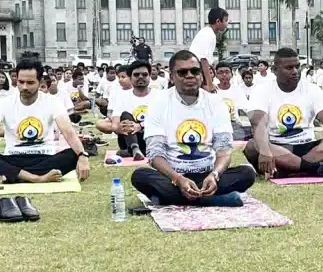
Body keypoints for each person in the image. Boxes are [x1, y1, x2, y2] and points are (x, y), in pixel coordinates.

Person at [129, 50, 255, 207]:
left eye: (195, 71)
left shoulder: (215, 102)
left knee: (247, 173)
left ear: (201, 75)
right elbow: (155, 155)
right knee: (140, 176)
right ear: (172, 77)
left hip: (208, 174)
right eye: (182, 72)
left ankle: (171, 198)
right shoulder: (158, 103)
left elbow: (224, 150)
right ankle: (217, 199)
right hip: (173, 176)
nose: (189, 76)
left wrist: (215, 175)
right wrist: (178, 179)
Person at [0, 59, 90, 185]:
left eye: (30, 83)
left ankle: (13, 176)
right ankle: (36, 178)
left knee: (75, 153)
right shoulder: (5, 102)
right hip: (12, 158)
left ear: (39, 81)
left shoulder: (52, 102)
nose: (24, 87)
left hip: (45, 157)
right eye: (21, 82)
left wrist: (82, 155)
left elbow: (67, 131)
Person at [244, 48, 323, 178]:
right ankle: (314, 169)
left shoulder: (312, 89)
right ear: (275, 71)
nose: (295, 72)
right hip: (277, 146)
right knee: (253, 147)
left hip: (308, 147)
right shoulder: (261, 91)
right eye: (289, 68)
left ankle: (289, 169)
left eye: (297, 67)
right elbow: (257, 125)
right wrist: (264, 150)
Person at [108, 60, 158, 161]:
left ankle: (133, 151)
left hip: (150, 138)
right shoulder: (123, 97)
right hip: (128, 137)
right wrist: (120, 127)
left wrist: (140, 126)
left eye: (144, 74)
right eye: (136, 75)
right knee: (126, 115)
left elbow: (164, 120)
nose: (140, 77)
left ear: (149, 77)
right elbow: (115, 123)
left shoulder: (160, 96)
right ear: (130, 77)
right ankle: (135, 148)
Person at [189, 7, 228, 92]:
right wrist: (209, 84)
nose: (226, 24)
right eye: (225, 21)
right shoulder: (209, 35)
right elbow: (203, 60)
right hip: (196, 71)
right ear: (218, 21)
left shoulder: (206, 32)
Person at [214, 61, 251, 141]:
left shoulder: (237, 90)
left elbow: (245, 109)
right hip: (216, 125)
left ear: (231, 74)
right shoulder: (213, 90)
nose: (224, 75)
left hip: (234, 125)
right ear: (216, 75)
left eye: (227, 72)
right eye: (220, 72)